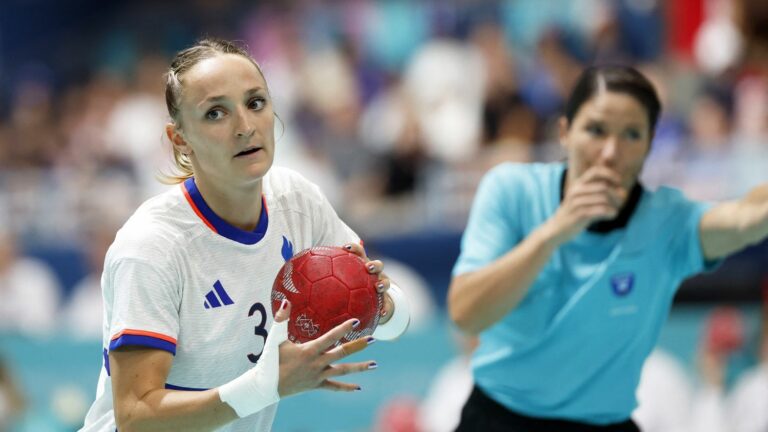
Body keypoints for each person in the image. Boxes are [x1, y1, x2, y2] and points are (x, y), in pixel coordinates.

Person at [79, 38, 409, 432]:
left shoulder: (298, 201)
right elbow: (136, 415)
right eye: (216, 113)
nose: (245, 127)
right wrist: (264, 386)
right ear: (179, 138)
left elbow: (393, 321)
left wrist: (381, 304)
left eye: (255, 103)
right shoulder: (151, 246)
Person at [448, 65, 768, 431]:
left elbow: (746, 216)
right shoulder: (512, 191)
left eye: (632, 135)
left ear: (649, 145)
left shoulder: (668, 223)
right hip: (499, 419)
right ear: (565, 132)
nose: (611, 152)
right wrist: (553, 232)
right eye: (596, 130)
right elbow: (465, 312)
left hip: (605, 423)